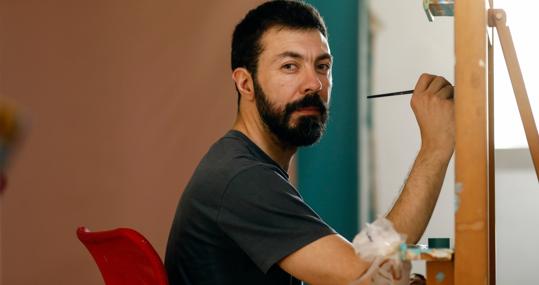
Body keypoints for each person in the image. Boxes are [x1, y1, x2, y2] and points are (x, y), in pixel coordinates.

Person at [164, 1, 454, 284]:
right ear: (245, 83)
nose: (314, 83)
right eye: (290, 66)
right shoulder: (241, 178)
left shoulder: (250, 165)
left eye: (322, 66)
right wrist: (435, 147)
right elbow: (362, 272)